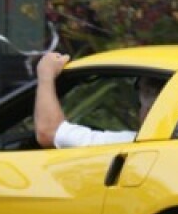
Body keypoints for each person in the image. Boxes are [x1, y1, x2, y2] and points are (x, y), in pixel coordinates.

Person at [34, 51, 163, 148]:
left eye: (141, 104)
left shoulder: (132, 146)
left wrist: (46, 74)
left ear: (149, 113)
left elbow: (49, 132)